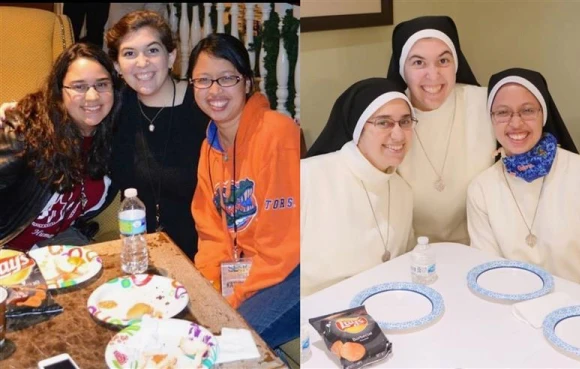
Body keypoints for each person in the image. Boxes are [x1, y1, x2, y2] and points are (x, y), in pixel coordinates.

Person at [188, 33, 300, 352]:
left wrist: (232, 299)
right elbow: (211, 234)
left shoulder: (278, 135)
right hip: (250, 272)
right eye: (203, 80)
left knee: (222, 346)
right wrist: (211, 290)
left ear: (247, 83)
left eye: (227, 79)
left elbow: (282, 248)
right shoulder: (209, 146)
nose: (214, 91)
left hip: (293, 272)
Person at [467, 67, 580, 288]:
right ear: (491, 118)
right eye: (502, 112)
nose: (515, 123)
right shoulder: (481, 189)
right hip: (512, 313)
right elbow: (488, 272)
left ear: (543, 115)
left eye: (527, 110)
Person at [378, 15, 496, 245]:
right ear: (402, 69)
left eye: (443, 61)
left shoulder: (487, 105)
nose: (433, 75)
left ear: (456, 64)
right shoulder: (385, 117)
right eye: (418, 63)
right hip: (410, 254)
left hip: (481, 247)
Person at [105, 10, 210, 260]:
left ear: (171, 55)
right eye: (130, 53)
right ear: (118, 65)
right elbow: (66, 115)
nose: (142, 63)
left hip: (204, 253)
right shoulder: (113, 107)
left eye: (153, 50)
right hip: (139, 254)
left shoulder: (203, 103)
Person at [0, 43, 121, 250]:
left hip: (56, 242)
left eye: (102, 84)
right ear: (59, 91)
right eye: (79, 86)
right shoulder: (24, 129)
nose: (92, 96)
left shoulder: (111, 137)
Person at [301, 78, 415, 297]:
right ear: (358, 127)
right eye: (384, 122)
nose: (399, 135)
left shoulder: (403, 191)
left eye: (406, 121)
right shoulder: (307, 176)